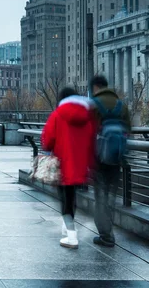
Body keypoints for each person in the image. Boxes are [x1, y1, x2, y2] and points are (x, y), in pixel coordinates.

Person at [41, 87, 96, 249]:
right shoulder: (87, 117)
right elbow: (92, 140)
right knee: (71, 196)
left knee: (64, 198)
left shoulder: (58, 114)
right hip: (80, 165)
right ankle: (68, 226)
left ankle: (71, 236)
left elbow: (47, 140)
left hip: (62, 162)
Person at [90, 75, 131, 248]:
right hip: (116, 157)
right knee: (111, 196)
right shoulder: (121, 105)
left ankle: (106, 235)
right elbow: (128, 130)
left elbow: (87, 131)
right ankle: (109, 230)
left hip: (99, 157)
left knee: (100, 196)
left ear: (95, 87)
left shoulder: (93, 105)